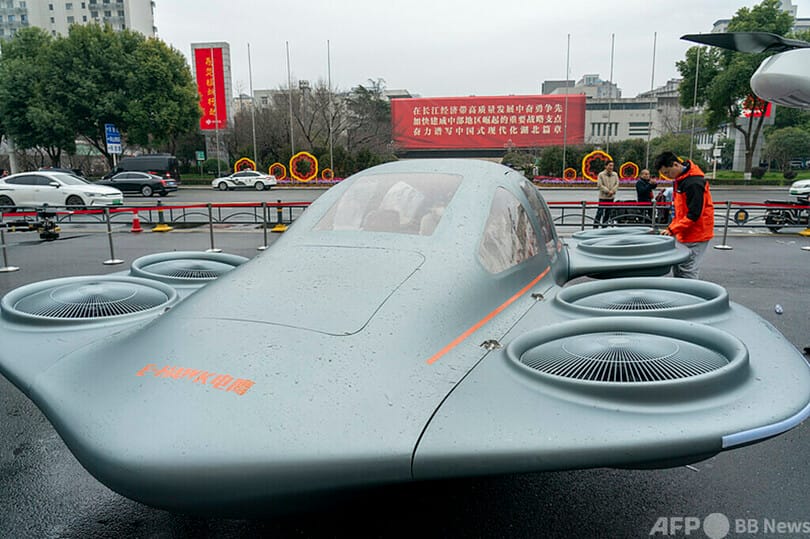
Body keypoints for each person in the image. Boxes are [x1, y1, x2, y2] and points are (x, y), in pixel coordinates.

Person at [653, 151, 714, 279]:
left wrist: (672, 229)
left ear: (675, 164)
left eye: (667, 172)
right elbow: (681, 210)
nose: (667, 176)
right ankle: (681, 289)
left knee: (687, 270)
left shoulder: (694, 183)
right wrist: (673, 228)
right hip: (684, 231)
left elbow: (694, 214)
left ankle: (689, 291)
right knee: (680, 266)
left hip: (696, 233)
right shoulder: (681, 179)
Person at [593, 160, 618, 228]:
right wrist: (608, 191)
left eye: (612, 166)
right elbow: (599, 185)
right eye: (610, 165)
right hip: (603, 197)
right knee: (600, 212)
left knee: (608, 213)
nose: (611, 167)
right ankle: (595, 226)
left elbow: (617, 184)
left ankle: (604, 226)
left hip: (611, 197)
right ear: (606, 166)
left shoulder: (615, 174)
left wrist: (613, 191)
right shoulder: (601, 174)